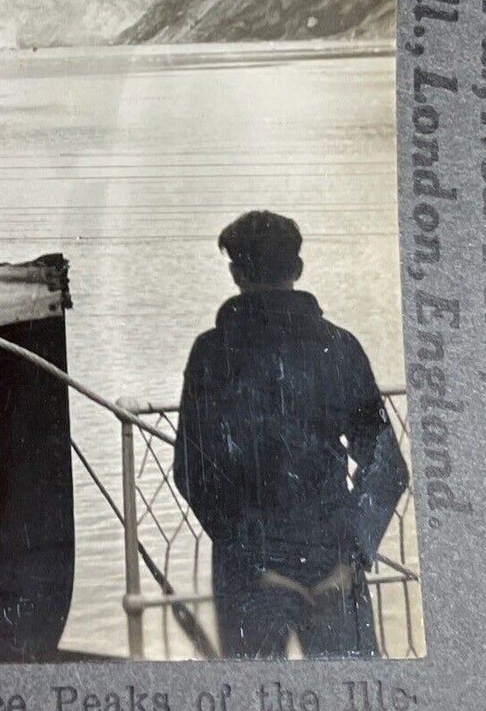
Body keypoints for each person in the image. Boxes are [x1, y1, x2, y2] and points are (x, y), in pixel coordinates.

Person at [173, 211, 408, 658]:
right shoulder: (339, 346)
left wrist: (256, 567)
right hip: (332, 564)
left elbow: (193, 473)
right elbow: (386, 464)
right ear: (297, 270)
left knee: (254, 709)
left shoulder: (210, 352)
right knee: (358, 703)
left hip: (250, 576)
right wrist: (352, 556)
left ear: (235, 273)